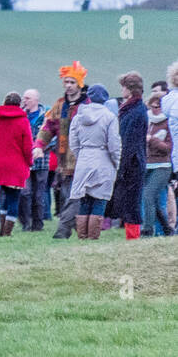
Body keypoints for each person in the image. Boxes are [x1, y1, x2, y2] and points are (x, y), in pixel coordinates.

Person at [32, 61, 90, 239]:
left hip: (84, 160)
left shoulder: (87, 105)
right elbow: (48, 127)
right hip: (64, 162)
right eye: (66, 82)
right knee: (66, 197)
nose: (69, 86)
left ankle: (62, 232)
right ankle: (80, 229)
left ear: (79, 84)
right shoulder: (59, 105)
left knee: (75, 197)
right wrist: (39, 146)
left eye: (72, 82)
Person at [68, 83, 121, 240]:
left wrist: (82, 155)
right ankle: (93, 237)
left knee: (84, 200)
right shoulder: (110, 117)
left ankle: (82, 236)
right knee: (99, 199)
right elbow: (114, 144)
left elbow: (73, 142)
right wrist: (116, 162)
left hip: (84, 159)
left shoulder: (78, 117)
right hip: (103, 158)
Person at [0, 92, 33, 236]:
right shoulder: (23, 121)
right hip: (16, 165)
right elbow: (27, 146)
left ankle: (1, 228)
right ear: (19, 104)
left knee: (4, 195)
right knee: (14, 198)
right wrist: (29, 162)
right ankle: (7, 231)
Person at [110, 72, 147, 240]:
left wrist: (121, 165)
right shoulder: (131, 108)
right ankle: (130, 235)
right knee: (128, 202)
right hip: (130, 161)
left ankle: (133, 237)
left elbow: (129, 142)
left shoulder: (136, 111)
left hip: (132, 162)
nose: (121, 90)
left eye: (123, 86)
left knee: (132, 203)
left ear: (130, 88)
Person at [143, 90, 174, 236]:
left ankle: (147, 230)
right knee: (153, 200)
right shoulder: (148, 122)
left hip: (163, 165)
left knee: (148, 196)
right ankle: (168, 229)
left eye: (158, 106)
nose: (155, 109)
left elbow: (168, 148)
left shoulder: (168, 123)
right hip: (147, 164)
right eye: (152, 106)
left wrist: (152, 140)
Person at [18, 89, 48, 231]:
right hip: (24, 160)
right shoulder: (20, 116)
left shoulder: (46, 117)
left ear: (36, 100)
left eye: (28, 98)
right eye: (24, 98)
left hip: (41, 160)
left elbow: (51, 136)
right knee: (25, 193)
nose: (25, 101)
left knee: (38, 195)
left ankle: (38, 224)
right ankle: (26, 222)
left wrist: (42, 147)